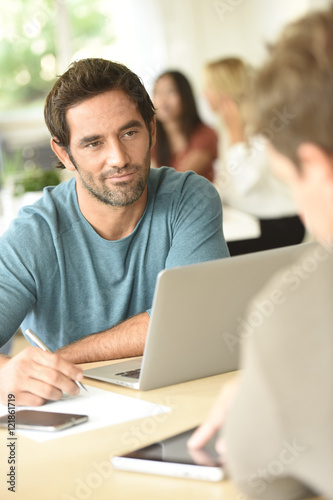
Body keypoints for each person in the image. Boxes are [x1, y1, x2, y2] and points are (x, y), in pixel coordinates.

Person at [0, 58, 229, 407]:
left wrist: (63, 357)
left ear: (151, 128)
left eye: (129, 132)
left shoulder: (188, 197)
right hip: (76, 413)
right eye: (93, 144)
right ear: (63, 152)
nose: (118, 158)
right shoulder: (35, 233)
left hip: (183, 403)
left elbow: (194, 316)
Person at [189, 6, 333, 500]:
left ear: (314, 166)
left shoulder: (291, 316)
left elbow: (264, 479)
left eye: (293, 181)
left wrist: (269, 392)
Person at [203, 57, 305, 256]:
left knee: (216, 254)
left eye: (207, 86)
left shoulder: (261, 126)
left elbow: (244, 184)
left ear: (222, 89)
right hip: (250, 218)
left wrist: (236, 134)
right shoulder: (227, 128)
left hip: (281, 224)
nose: (203, 93)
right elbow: (228, 187)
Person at [151, 70, 218, 182]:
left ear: (185, 96)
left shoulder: (206, 134)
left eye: (171, 91)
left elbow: (178, 179)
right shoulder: (153, 140)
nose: (163, 100)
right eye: (158, 92)